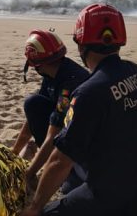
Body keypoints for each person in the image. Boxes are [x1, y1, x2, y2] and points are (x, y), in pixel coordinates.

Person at [18, 3, 137, 216]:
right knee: (70, 186)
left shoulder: (88, 92)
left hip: (117, 193)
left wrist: (35, 207)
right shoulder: (134, 72)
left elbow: (59, 160)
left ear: (81, 44)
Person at [11, 29, 89, 158]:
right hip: (70, 128)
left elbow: (55, 130)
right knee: (34, 103)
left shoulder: (70, 82)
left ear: (37, 65)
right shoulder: (52, 73)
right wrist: (14, 153)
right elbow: (32, 117)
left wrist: (30, 174)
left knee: (33, 103)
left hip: (81, 140)